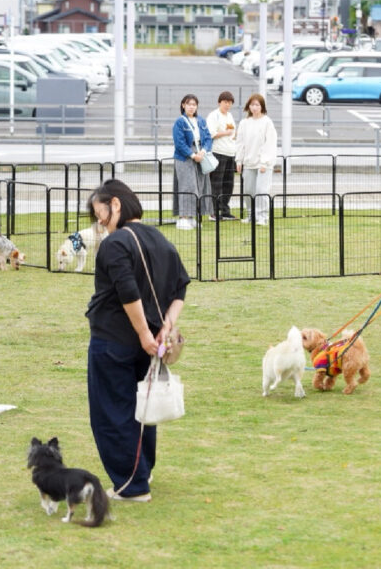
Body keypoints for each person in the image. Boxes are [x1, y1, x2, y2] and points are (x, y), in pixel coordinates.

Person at [81, 177, 185, 500]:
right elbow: (180, 287)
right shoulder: (160, 239)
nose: (100, 223)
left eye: (101, 214)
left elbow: (128, 291)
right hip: (150, 342)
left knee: (113, 410)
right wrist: (164, 327)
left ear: (116, 205)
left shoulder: (115, 244)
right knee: (142, 408)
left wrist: (143, 332)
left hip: (115, 339)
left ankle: (131, 483)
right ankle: (142, 471)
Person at [234, 92, 277, 225]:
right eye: (252, 105)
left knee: (261, 190)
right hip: (248, 162)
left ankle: (263, 216)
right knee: (248, 190)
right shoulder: (244, 123)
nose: (254, 107)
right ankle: (251, 215)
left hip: (263, 163)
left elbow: (270, 143)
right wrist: (239, 160)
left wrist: (265, 162)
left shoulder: (267, 122)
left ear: (262, 106)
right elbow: (240, 142)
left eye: (257, 105)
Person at [169, 93, 208, 229]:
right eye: (189, 104)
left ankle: (192, 217)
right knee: (187, 186)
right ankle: (183, 218)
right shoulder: (180, 122)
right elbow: (179, 143)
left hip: (200, 154)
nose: (191, 107)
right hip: (184, 158)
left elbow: (208, 138)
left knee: (198, 186)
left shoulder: (201, 121)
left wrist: (203, 152)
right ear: (183, 105)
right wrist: (192, 155)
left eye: (194, 104)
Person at [204, 91, 239, 221]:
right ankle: (213, 212)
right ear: (220, 102)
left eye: (230, 103)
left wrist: (233, 135)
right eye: (225, 102)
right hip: (218, 152)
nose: (227, 105)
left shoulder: (229, 115)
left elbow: (232, 132)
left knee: (228, 184)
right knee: (216, 184)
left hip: (231, 153)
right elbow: (211, 134)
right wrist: (226, 133)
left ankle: (225, 210)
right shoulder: (214, 116)